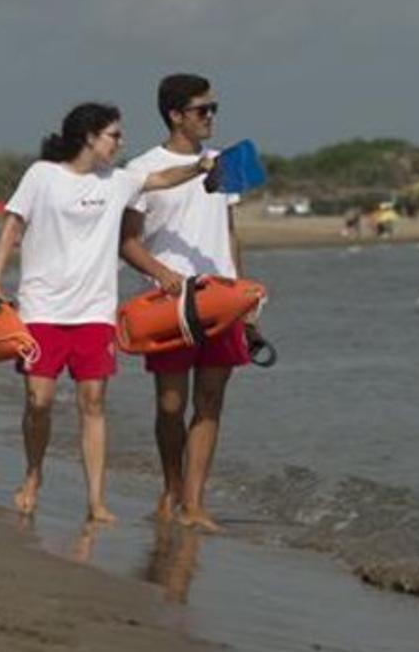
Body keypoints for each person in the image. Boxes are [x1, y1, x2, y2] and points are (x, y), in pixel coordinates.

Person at [0, 102, 215, 523]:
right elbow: (12, 226)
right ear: (89, 136)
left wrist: (200, 167)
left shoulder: (119, 181)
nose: (121, 142)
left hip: (94, 311)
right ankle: (33, 475)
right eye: (114, 135)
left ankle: (96, 501)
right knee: (39, 400)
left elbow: (161, 178)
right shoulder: (42, 176)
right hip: (41, 307)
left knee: (93, 403)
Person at [120, 73, 257, 532]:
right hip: (168, 304)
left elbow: (231, 230)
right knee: (170, 406)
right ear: (176, 115)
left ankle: (195, 503)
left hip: (221, 300)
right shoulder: (140, 170)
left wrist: (243, 292)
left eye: (215, 108)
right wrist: (162, 275)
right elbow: (128, 242)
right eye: (203, 110)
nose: (212, 117)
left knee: (211, 401)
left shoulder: (223, 162)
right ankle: (172, 487)